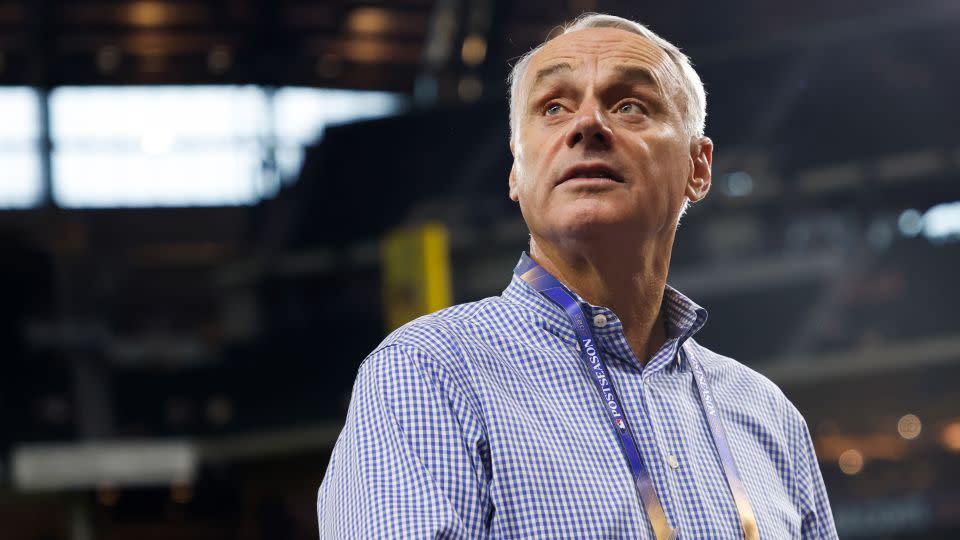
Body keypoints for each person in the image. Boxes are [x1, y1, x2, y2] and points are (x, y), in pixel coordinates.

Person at [317, 13, 837, 539]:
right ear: (517, 172)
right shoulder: (428, 374)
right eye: (554, 107)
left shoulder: (767, 416)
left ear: (697, 168)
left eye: (630, 105)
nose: (587, 124)